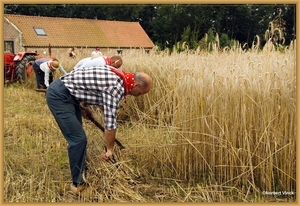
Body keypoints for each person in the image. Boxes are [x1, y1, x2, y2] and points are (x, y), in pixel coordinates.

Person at [45, 65, 152, 197]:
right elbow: (110, 124)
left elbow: (93, 88)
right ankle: (77, 185)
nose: (138, 96)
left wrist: (84, 106)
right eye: (140, 93)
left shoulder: (120, 76)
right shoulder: (116, 87)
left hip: (70, 94)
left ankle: (81, 172)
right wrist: (110, 149)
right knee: (78, 140)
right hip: (59, 96)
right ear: (136, 85)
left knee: (79, 139)